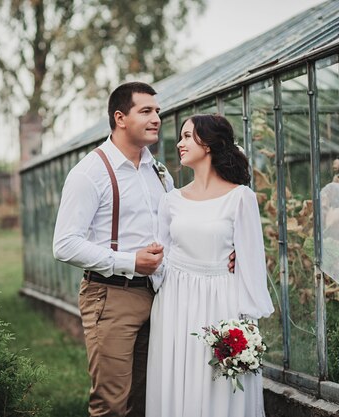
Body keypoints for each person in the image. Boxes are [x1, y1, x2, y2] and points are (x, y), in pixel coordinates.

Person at [53, 81, 172, 417]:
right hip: (111, 296)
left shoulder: (159, 173)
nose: (156, 119)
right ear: (120, 118)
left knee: (147, 400)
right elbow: (64, 244)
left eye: (157, 111)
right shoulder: (90, 173)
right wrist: (129, 261)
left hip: (160, 297)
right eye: (146, 111)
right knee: (111, 403)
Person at [146, 114, 274, 417]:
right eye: (181, 136)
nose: (179, 143)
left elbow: (252, 264)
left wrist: (247, 325)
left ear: (210, 144)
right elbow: (160, 259)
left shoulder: (240, 198)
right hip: (174, 304)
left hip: (222, 301)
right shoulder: (171, 201)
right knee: (176, 381)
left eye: (188, 136)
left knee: (216, 387)